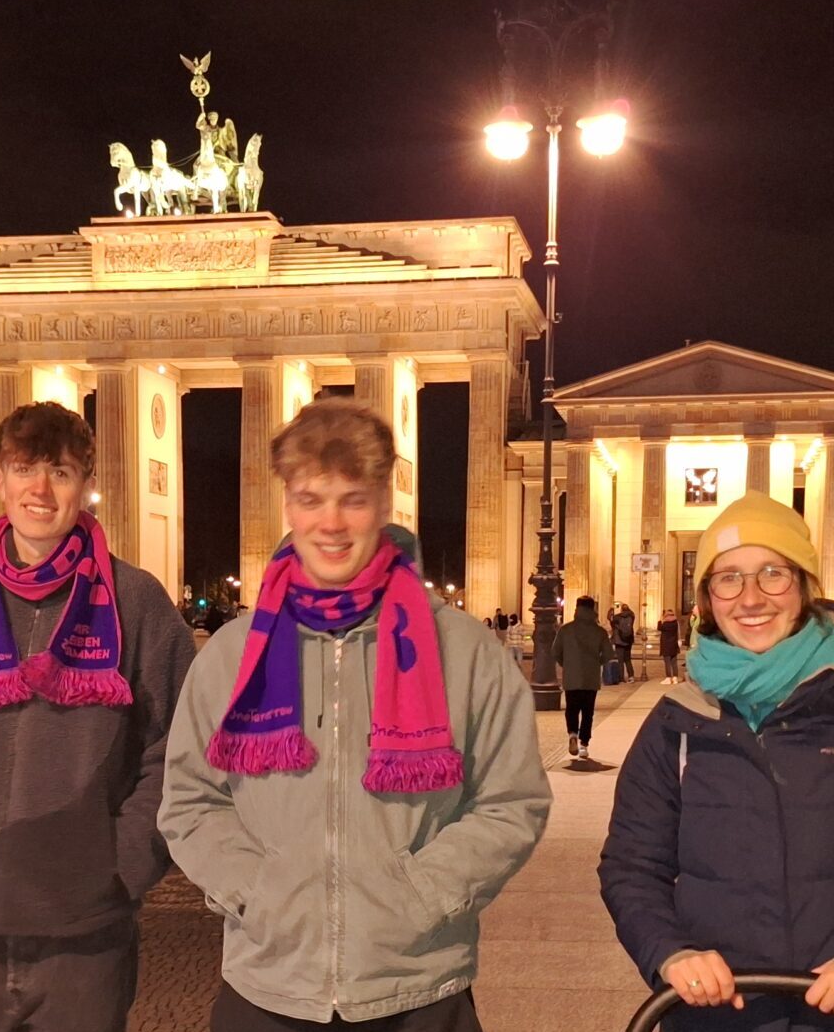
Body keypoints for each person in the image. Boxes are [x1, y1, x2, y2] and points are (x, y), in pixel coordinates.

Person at [161, 397, 549, 1030]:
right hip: (267, 986)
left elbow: (512, 802)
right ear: (287, 503)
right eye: (311, 499)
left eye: (354, 499)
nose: (331, 523)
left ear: (385, 501)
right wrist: (256, 893)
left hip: (419, 988)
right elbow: (189, 800)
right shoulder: (232, 655)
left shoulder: (465, 651)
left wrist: (424, 894)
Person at [598, 493, 834, 1028]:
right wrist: (670, 951)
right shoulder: (676, 722)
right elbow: (631, 867)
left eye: (772, 573)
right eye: (728, 578)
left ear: (805, 587)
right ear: (708, 600)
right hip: (718, 1016)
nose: (750, 597)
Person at [0, 401, 196, 1032]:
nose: (40, 489)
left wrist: (121, 864)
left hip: (82, 931)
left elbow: (179, 749)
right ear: (0, 480)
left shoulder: (135, 601)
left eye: (61, 471)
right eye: (24, 468)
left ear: (86, 484)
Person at [556, 595, 611, 760]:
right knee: (588, 712)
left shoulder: (566, 630)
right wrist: (597, 662)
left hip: (572, 676)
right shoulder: (599, 631)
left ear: (576, 608)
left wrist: (567, 664)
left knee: (571, 708)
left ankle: (572, 733)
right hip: (590, 677)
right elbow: (608, 654)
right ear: (593, 609)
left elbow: (555, 651)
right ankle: (584, 745)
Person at [656, 606, 685, 684]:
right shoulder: (675, 623)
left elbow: (659, 628)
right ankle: (675, 678)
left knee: (667, 662)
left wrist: (660, 619)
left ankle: (668, 678)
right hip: (674, 645)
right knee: (674, 662)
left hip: (666, 645)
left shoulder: (665, 624)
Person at [609, 601, 638, 670]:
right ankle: (631, 676)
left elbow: (609, 618)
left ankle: (621, 678)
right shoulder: (631, 616)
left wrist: (611, 608)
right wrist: (625, 606)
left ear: (621, 609)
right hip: (628, 640)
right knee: (628, 660)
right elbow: (632, 613)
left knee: (620, 661)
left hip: (619, 641)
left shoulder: (617, 617)